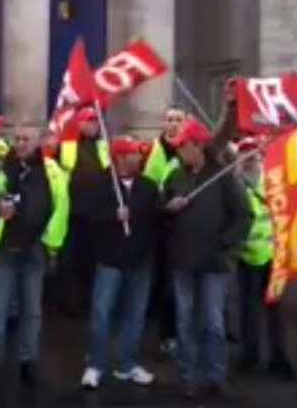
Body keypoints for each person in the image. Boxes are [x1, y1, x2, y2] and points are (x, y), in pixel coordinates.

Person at [161, 118, 251, 399]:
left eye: (183, 146)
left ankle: (215, 375)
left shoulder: (223, 177)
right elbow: (161, 216)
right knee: (185, 320)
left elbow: (243, 217)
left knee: (212, 322)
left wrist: (223, 245)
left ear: (198, 146)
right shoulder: (175, 178)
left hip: (214, 263)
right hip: (183, 261)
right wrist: (168, 209)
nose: (178, 152)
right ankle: (187, 375)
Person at [0, 120, 69, 387]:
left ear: (39, 141)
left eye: (26, 139)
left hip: (35, 247)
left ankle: (28, 361)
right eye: (17, 138)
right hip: (5, 245)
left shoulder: (52, 171)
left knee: (32, 309)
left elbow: (61, 207)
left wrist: (51, 245)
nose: (21, 144)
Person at [80, 136, 157, 390]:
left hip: (139, 260)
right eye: (134, 153)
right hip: (109, 259)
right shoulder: (100, 186)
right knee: (101, 313)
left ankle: (128, 363)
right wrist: (112, 216)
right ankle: (95, 363)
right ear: (121, 158)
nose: (139, 157)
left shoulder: (148, 187)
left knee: (135, 314)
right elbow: (86, 217)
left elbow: (155, 219)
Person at [233, 135, 295, 379]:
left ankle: (279, 357)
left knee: (276, 309)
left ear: (261, 157)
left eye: (253, 153)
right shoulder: (234, 185)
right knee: (249, 310)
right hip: (247, 257)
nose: (249, 158)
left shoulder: (273, 182)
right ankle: (250, 355)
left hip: (273, 256)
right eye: (244, 153)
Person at [56, 106, 111, 316]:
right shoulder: (67, 145)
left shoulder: (105, 146)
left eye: (95, 121)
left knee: (92, 261)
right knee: (69, 261)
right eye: (88, 121)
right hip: (71, 213)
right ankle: (67, 303)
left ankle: (89, 303)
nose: (92, 124)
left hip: (97, 215)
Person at [143, 107, 186, 356]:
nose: (173, 124)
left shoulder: (190, 149)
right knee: (165, 282)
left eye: (178, 119)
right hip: (162, 225)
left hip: (187, 224)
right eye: (169, 119)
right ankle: (166, 333)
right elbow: (149, 187)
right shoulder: (154, 150)